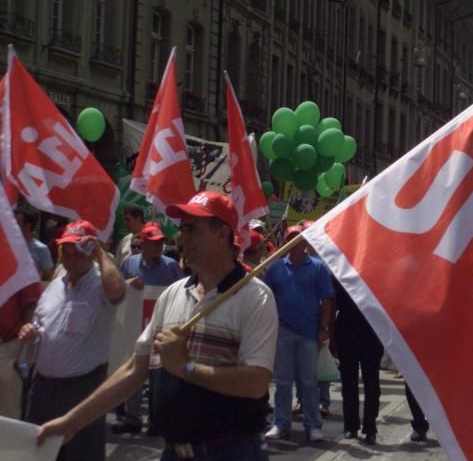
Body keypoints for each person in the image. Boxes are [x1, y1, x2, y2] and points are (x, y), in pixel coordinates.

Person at [37, 191, 279, 461]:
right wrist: (72, 422)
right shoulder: (174, 294)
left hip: (231, 453)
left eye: (192, 228)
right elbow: (135, 368)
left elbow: (256, 383)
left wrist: (186, 367)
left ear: (222, 235)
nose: (182, 237)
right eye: (182, 228)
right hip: (173, 452)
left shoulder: (255, 297)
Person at [20, 220, 126, 461]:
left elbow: (117, 290)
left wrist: (100, 252)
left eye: (78, 253)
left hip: (82, 389)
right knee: (38, 452)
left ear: (90, 253)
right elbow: (39, 324)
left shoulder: (101, 284)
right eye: (66, 253)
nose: (71, 259)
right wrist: (30, 332)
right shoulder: (54, 286)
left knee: (81, 453)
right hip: (43, 388)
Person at [264, 222, 334, 442]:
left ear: (305, 243)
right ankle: (281, 423)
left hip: (309, 333)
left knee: (309, 381)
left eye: (298, 240)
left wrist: (324, 328)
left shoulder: (318, 268)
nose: (294, 244)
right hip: (284, 332)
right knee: (283, 382)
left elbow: (327, 299)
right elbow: (267, 297)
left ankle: (313, 425)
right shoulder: (275, 268)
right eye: (290, 240)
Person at [114, 221, 184, 433]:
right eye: (153, 243)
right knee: (134, 371)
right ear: (142, 243)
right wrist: (128, 284)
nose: (157, 247)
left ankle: (156, 421)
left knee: (158, 375)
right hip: (134, 327)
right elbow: (116, 290)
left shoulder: (171, 267)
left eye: (160, 243)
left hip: (161, 328)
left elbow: (182, 293)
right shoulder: (129, 265)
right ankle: (132, 418)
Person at [333, 278, 383, 444]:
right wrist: (332, 336)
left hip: (372, 331)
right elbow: (332, 303)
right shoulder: (340, 273)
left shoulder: (376, 274)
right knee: (349, 383)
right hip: (346, 331)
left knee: (372, 383)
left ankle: (370, 427)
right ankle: (351, 426)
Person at [0, 282, 42, 419]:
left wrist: (27, 341)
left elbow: (33, 305)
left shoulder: (21, 269)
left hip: (7, 347)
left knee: (7, 413)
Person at [15, 208, 55, 280]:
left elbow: (49, 277)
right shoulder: (8, 246)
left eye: (16, 224)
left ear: (28, 226)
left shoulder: (41, 249)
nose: (12, 227)